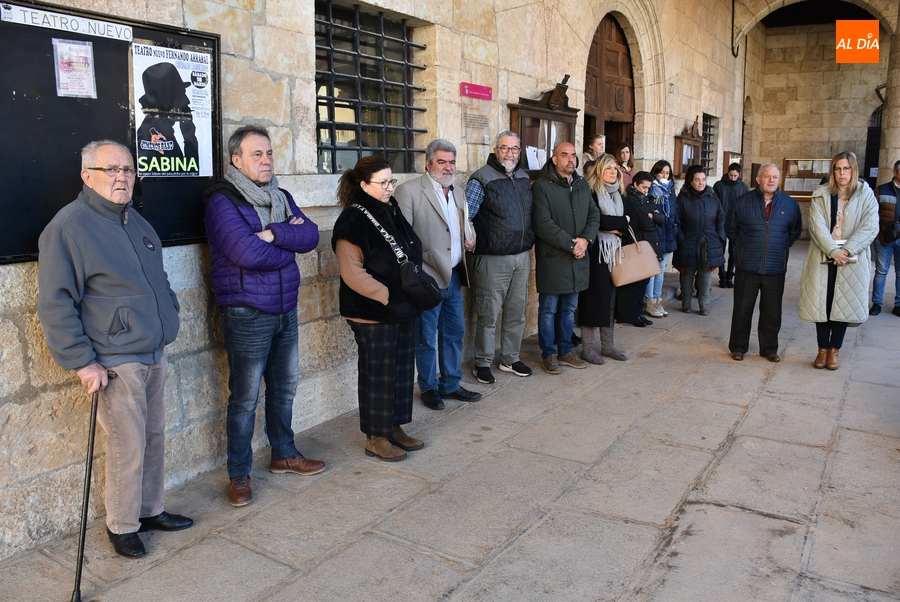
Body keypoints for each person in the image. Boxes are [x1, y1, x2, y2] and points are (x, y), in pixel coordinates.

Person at [38, 140, 191, 558]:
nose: (121, 177)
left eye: (127, 169)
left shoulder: (135, 221)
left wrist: (169, 310)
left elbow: (158, 278)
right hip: (114, 359)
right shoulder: (68, 228)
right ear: (87, 176)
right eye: (111, 170)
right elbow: (56, 304)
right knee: (128, 444)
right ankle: (122, 526)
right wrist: (83, 362)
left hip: (153, 350)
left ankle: (149, 509)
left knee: (154, 435)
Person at [205, 126, 325, 508]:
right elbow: (246, 254)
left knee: (285, 388)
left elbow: (311, 236)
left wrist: (273, 235)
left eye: (269, 153)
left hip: (284, 308)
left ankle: (283, 454)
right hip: (247, 313)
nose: (266, 160)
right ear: (236, 160)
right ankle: (239, 474)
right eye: (256, 154)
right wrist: (287, 246)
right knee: (244, 398)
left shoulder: (281, 196)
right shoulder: (222, 202)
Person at [332, 156, 425, 461]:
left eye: (391, 181)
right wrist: (386, 296)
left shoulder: (389, 206)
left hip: (400, 307)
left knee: (399, 369)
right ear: (363, 185)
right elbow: (352, 271)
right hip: (372, 310)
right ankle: (376, 436)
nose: (389, 187)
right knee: (378, 373)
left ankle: (394, 427)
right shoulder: (351, 219)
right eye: (382, 182)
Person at [395, 140, 480, 410]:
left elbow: (465, 226)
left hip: (454, 275)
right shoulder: (408, 191)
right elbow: (402, 238)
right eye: (441, 162)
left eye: (451, 162)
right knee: (425, 335)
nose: (447, 167)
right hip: (427, 279)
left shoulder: (457, 191)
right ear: (428, 164)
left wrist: (471, 239)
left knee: (454, 333)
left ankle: (451, 384)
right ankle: (429, 387)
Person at [465, 131, 536, 384]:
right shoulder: (481, 179)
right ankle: (482, 362)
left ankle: (510, 358)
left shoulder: (523, 177)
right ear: (496, 150)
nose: (510, 153)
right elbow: (467, 217)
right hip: (492, 258)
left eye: (515, 149)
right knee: (488, 314)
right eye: (505, 148)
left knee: (517, 312)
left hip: (521, 256)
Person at [799, 152, 879, 370]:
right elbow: (816, 226)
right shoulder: (821, 193)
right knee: (821, 302)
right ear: (832, 171)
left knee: (844, 302)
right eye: (838, 169)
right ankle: (822, 349)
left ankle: (835, 350)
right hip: (824, 255)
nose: (842, 173)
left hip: (852, 258)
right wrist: (834, 251)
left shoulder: (866, 195)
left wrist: (848, 250)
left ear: (853, 170)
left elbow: (870, 226)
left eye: (846, 168)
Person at [531, 142, 600, 374]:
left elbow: (593, 214)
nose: (570, 159)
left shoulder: (581, 184)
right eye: (564, 155)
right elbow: (543, 224)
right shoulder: (541, 186)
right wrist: (572, 245)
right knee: (548, 309)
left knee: (569, 309)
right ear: (554, 159)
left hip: (578, 257)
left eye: (573, 155)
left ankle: (566, 351)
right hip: (554, 258)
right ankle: (549, 354)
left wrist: (586, 240)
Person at [726, 164, 802, 362]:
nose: (771, 180)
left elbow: (794, 232)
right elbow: (731, 229)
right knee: (742, 309)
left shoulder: (790, 205)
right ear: (758, 179)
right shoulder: (742, 202)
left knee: (772, 311)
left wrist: (780, 248)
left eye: (775, 177)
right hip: (747, 265)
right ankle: (738, 347)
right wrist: (744, 248)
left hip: (775, 267)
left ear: (779, 180)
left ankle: (769, 348)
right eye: (767, 176)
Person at [577, 154, 632, 364]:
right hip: (595, 252)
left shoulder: (620, 192)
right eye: (608, 168)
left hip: (614, 253)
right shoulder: (590, 191)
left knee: (610, 299)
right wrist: (620, 223)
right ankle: (588, 349)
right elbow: (597, 220)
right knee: (592, 300)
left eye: (615, 168)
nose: (613, 172)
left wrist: (618, 225)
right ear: (599, 170)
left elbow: (629, 219)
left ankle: (608, 346)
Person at [674, 165, 726, 315]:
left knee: (705, 272)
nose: (701, 183)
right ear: (691, 181)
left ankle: (704, 303)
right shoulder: (683, 197)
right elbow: (676, 219)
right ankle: (686, 302)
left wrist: (719, 235)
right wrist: (681, 237)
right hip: (688, 239)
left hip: (709, 239)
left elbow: (721, 216)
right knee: (688, 271)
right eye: (697, 180)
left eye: (703, 180)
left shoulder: (712, 196)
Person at [624, 171, 664, 324]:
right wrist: (652, 217)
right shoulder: (631, 199)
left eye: (648, 187)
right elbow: (644, 223)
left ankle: (640, 312)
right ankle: (634, 314)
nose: (646, 190)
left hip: (650, 243)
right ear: (635, 184)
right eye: (644, 187)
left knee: (644, 282)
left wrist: (653, 216)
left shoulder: (647, 198)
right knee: (637, 283)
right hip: (639, 243)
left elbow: (662, 218)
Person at [647, 160, 680, 318]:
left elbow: (676, 209)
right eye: (662, 172)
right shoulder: (651, 189)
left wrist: (676, 225)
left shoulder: (671, 189)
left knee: (660, 268)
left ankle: (657, 299)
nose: (665, 176)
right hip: (655, 233)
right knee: (651, 269)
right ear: (655, 172)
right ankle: (650, 301)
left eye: (667, 173)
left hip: (669, 233)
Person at [870, 159, 900, 317]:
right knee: (881, 271)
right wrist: (879, 233)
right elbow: (873, 214)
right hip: (884, 238)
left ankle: (899, 305)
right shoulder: (881, 190)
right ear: (895, 173)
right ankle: (877, 303)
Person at [713, 162, 749, 288]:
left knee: (734, 250)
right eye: (731, 175)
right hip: (721, 221)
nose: (733, 178)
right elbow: (714, 203)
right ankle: (722, 276)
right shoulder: (718, 185)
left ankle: (730, 275)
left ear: (739, 175)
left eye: (735, 176)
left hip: (736, 222)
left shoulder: (743, 186)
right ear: (727, 173)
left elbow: (745, 205)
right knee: (721, 249)